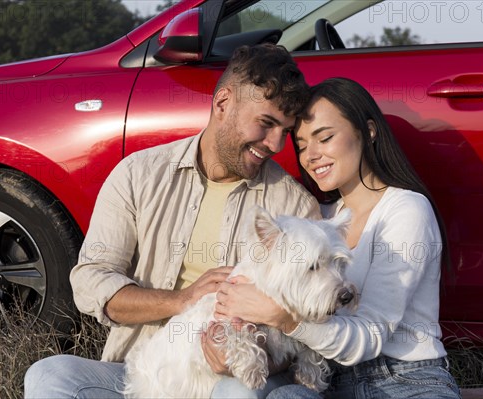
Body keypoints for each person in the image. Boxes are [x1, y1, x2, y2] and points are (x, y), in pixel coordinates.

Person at [23, 43, 320, 398]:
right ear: (223, 104)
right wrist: (182, 299)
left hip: (231, 376)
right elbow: (90, 281)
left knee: (237, 392)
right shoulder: (139, 174)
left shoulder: (293, 207)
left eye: (285, 131)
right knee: (49, 375)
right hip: (143, 376)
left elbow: (310, 322)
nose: (275, 143)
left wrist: (258, 360)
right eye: (266, 124)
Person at [210, 77, 461, 399]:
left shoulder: (406, 209)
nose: (310, 155)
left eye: (324, 138)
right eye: (301, 146)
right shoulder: (320, 222)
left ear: (368, 131)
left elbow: (370, 336)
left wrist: (284, 319)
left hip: (406, 380)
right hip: (331, 380)